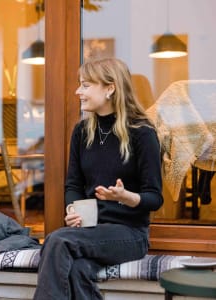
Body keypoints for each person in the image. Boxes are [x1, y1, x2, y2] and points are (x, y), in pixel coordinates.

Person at [33, 57, 164, 300]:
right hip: (91, 231)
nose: (77, 91)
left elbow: (154, 198)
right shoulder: (82, 131)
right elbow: (73, 183)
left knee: (57, 240)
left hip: (130, 234)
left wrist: (126, 197)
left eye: (85, 85)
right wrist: (72, 208)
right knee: (77, 270)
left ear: (110, 88)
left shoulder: (142, 133)